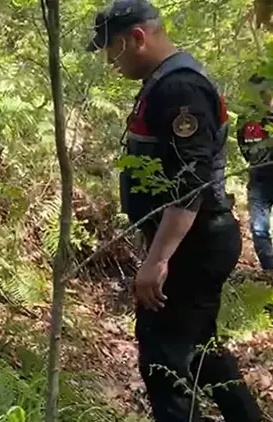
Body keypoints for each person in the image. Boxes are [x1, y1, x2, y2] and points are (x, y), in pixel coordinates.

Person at [86, 1, 263, 421]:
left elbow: (191, 184)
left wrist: (158, 259)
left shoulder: (179, 89)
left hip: (195, 243)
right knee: (200, 350)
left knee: (164, 360)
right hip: (195, 239)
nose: (110, 61)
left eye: (111, 48)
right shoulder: (165, 82)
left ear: (137, 38)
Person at [237, 74, 273, 270]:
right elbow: (243, 142)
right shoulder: (247, 117)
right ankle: (270, 269)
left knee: (259, 229)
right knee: (259, 229)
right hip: (259, 178)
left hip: (260, 176)